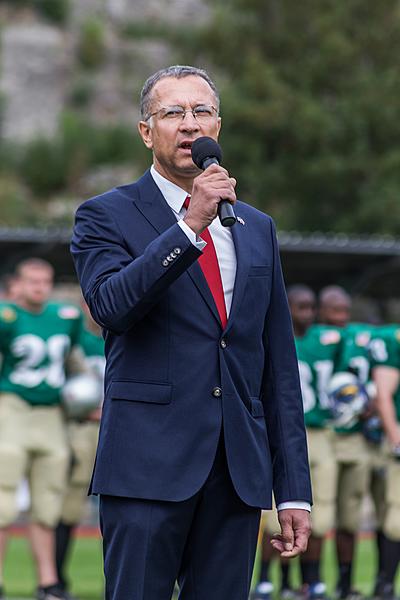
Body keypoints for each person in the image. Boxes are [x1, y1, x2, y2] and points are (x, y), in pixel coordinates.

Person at [71, 64, 312, 600]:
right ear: (145, 131)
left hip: (237, 473)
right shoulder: (105, 215)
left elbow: (276, 365)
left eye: (201, 111)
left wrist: (294, 489)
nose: (189, 124)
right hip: (146, 469)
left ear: (218, 127)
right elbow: (111, 306)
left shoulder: (255, 226)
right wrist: (188, 227)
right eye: (172, 112)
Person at [0, 258, 83, 600]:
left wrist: (88, 395)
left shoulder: (66, 317)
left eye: (45, 280)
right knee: (2, 503)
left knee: (48, 505)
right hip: (12, 407)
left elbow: (75, 364)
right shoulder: (7, 316)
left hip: (51, 414)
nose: (39, 286)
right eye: (32, 280)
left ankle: (48, 583)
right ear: (18, 283)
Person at [319, 286, 374, 600]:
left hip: (355, 438)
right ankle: (304, 582)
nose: (340, 318)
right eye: (334, 311)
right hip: (322, 435)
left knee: (350, 518)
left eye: (344, 311)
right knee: (318, 516)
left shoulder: (359, 339)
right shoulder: (310, 339)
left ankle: (344, 584)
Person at [55, 300, 105, 599]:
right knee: (70, 505)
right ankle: (57, 581)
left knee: (133, 508)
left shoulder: (135, 332)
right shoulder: (76, 339)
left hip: (126, 429)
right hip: (84, 426)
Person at [372, 324, 400, 600]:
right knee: (396, 516)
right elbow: (383, 394)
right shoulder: (394, 339)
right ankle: (386, 584)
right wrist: (395, 437)